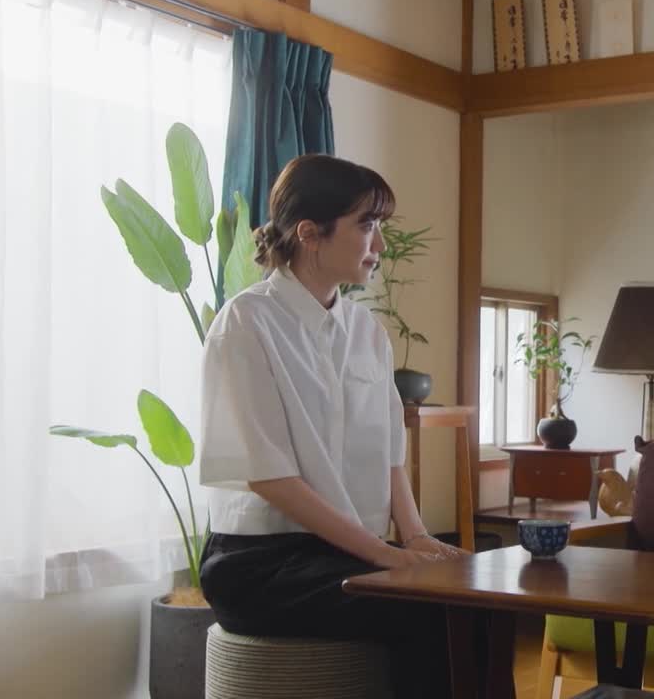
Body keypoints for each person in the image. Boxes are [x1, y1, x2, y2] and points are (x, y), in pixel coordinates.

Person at [198, 154, 464, 697]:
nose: (380, 244)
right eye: (367, 225)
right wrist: (389, 557)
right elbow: (271, 478)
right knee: (428, 609)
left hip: (344, 552)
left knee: (481, 600)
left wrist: (417, 537)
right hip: (259, 565)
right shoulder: (245, 324)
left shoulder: (367, 332)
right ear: (309, 233)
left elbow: (390, 455)